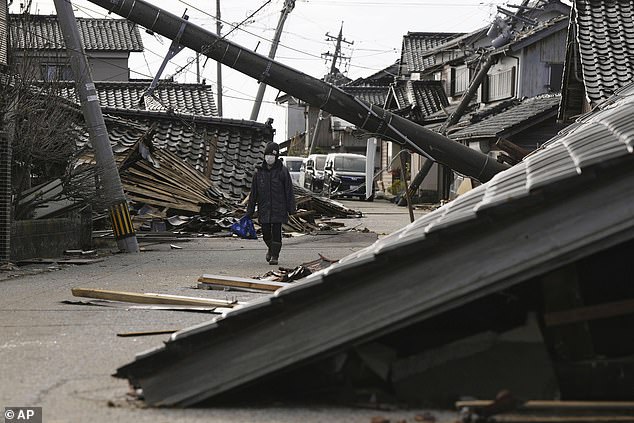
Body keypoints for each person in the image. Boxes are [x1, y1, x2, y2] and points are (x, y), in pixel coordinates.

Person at [246, 142, 295, 265]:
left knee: (277, 232)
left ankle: (275, 256)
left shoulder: (282, 171)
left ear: (276, 156)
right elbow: (254, 193)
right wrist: (250, 210)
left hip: (279, 207)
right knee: (266, 232)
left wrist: (291, 208)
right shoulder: (259, 173)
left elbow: (289, 190)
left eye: (272, 155)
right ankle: (271, 248)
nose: (269, 158)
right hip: (264, 208)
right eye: (267, 155)